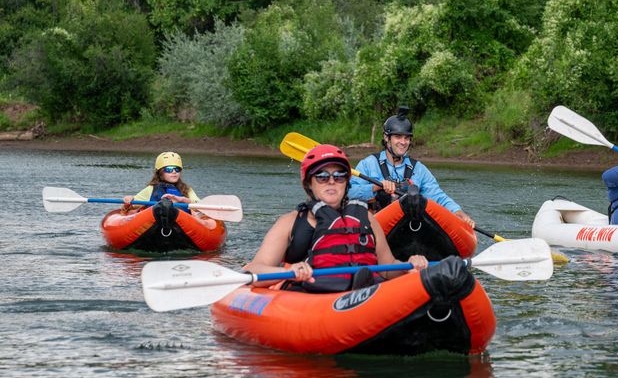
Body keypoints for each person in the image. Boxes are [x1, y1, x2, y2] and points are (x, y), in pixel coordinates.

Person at [245, 144, 428, 291]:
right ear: (309, 184)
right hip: (311, 299)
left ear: (346, 183)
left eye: (339, 176)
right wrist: (289, 271)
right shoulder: (290, 222)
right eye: (322, 176)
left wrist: (408, 266)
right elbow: (254, 269)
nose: (332, 181)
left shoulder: (366, 218)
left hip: (365, 294)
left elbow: (388, 267)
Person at [348, 106, 475, 228]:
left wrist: (458, 212)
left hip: (408, 228)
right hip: (379, 226)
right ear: (386, 138)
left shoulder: (418, 169)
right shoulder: (368, 164)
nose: (403, 142)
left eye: (406, 138)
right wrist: (376, 186)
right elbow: (349, 192)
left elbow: (437, 196)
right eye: (398, 137)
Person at [122, 152, 216, 229]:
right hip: (153, 226)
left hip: (182, 227)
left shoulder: (187, 190)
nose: (174, 172)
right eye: (169, 169)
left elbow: (201, 205)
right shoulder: (151, 189)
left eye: (177, 169)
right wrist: (129, 199)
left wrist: (183, 200)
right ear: (160, 172)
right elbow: (133, 205)